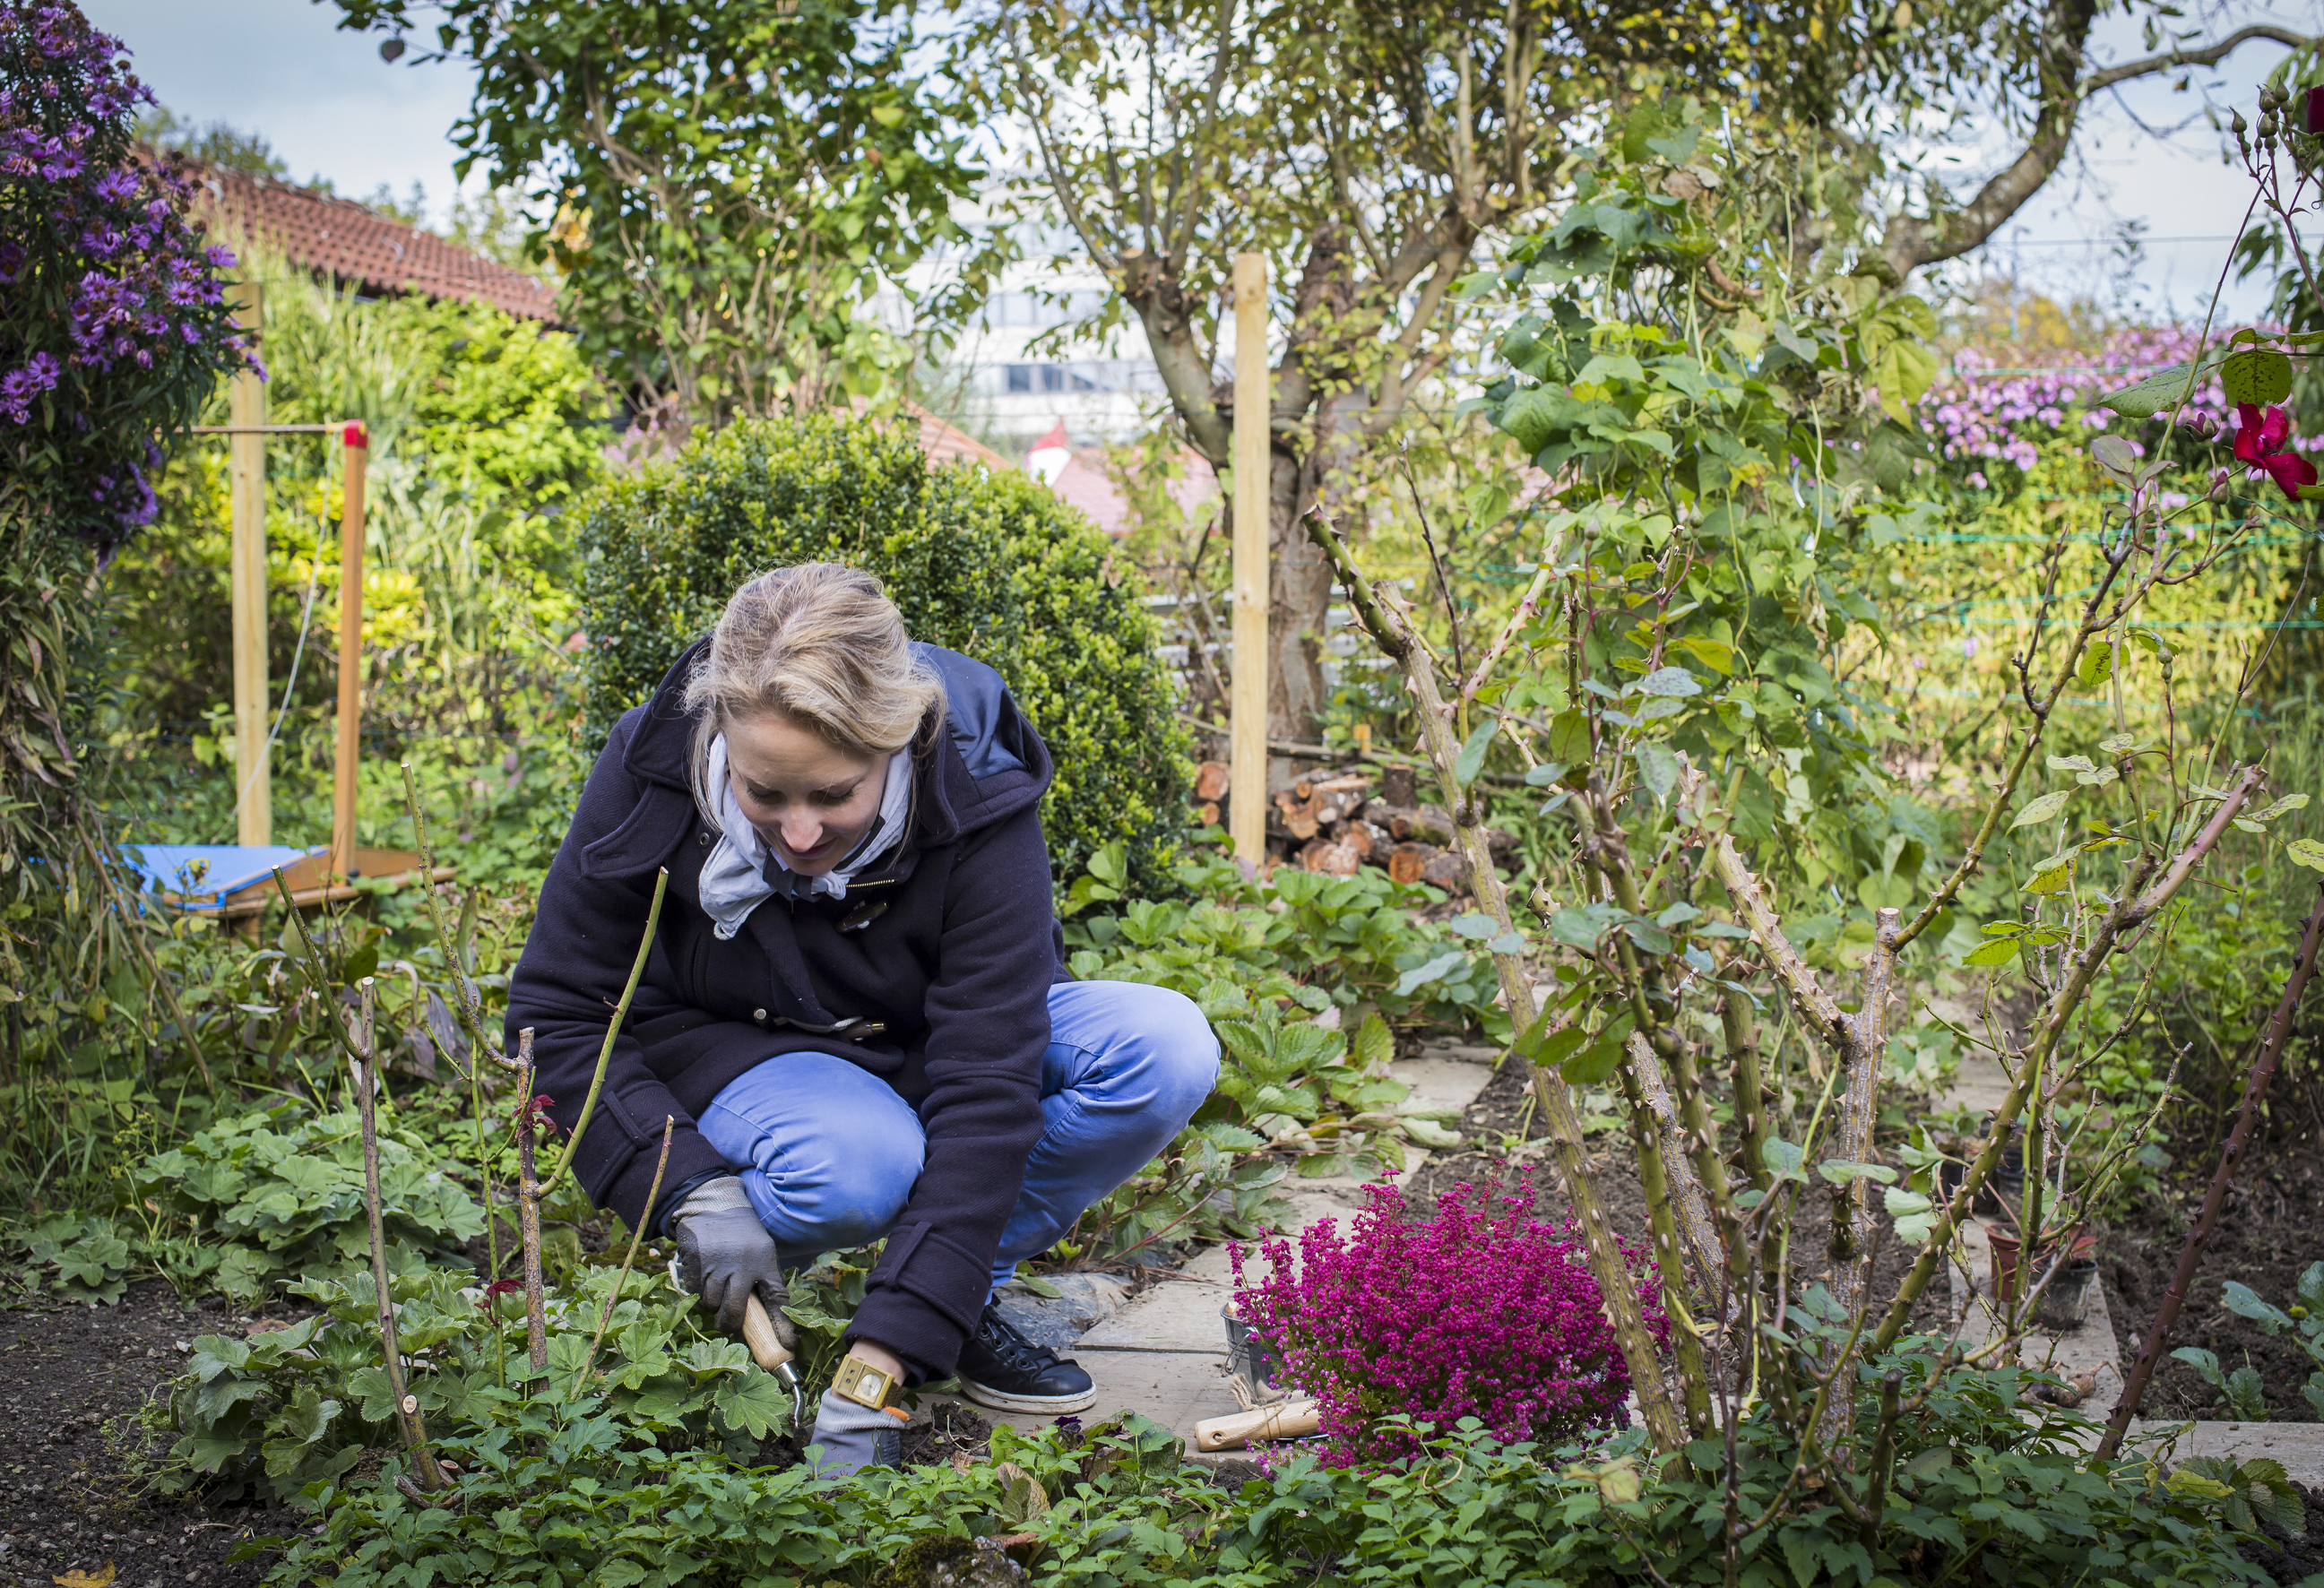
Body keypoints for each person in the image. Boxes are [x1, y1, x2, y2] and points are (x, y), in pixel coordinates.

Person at [505, 563, 1219, 1472]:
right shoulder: (655, 764)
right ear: (723, 736)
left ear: (894, 740)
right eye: (765, 794)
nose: (797, 834)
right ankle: (727, 1282)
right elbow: (558, 1011)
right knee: (858, 1169)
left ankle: (945, 1293)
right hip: (733, 1044)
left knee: (1163, 1045)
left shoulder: (974, 783)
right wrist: (681, 1181)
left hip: (921, 1040)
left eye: (833, 794)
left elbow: (989, 1079)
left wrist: (882, 1363)